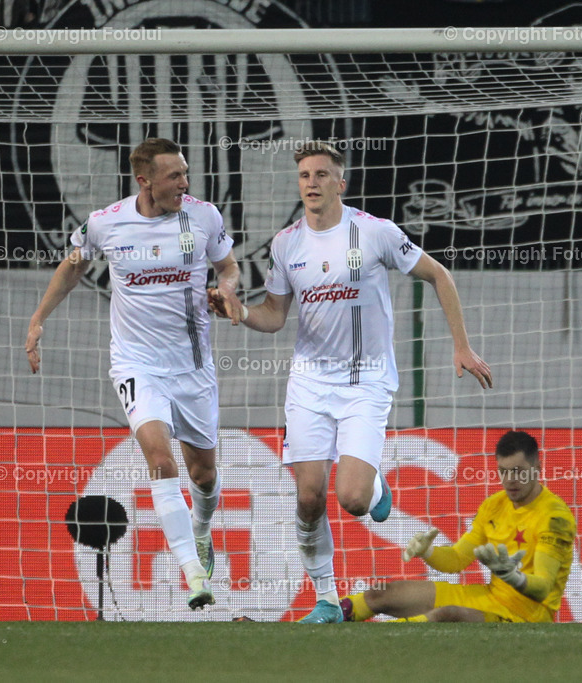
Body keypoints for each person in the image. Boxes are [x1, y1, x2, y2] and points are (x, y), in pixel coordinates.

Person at [208, 141, 492, 623]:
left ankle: (376, 489)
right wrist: (238, 312)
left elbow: (439, 275)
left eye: (321, 174)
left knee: (353, 499)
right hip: (310, 384)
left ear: (341, 182)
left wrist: (461, 346)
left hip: (366, 382)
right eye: (304, 175)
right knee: (308, 496)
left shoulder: (375, 233)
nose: (312, 183)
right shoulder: (286, 244)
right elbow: (275, 316)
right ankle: (325, 600)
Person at [26, 138, 242, 610]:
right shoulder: (107, 223)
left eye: (185, 173)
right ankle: (192, 573)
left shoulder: (203, 216)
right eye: (174, 177)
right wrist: (39, 318)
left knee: (203, 475)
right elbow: (72, 266)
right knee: (160, 460)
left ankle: (201, 532)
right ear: (144, 181)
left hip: (193, 367)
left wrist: (225, 290)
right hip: (136, 364)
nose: (184, 184)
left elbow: (229, 266)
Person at [341, 430, 576, 623]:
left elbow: (544, 588)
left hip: (526, 617)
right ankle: (325, 621)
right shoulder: (494, 506)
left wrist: (514, 577)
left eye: (519, 471)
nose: (511, 480)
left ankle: (383, 648)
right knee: (381, 595)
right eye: (504, 472)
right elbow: (456, 560)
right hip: (488, 597)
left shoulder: (555, 517)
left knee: (447, 616)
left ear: (537, 468)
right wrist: (428, 552)